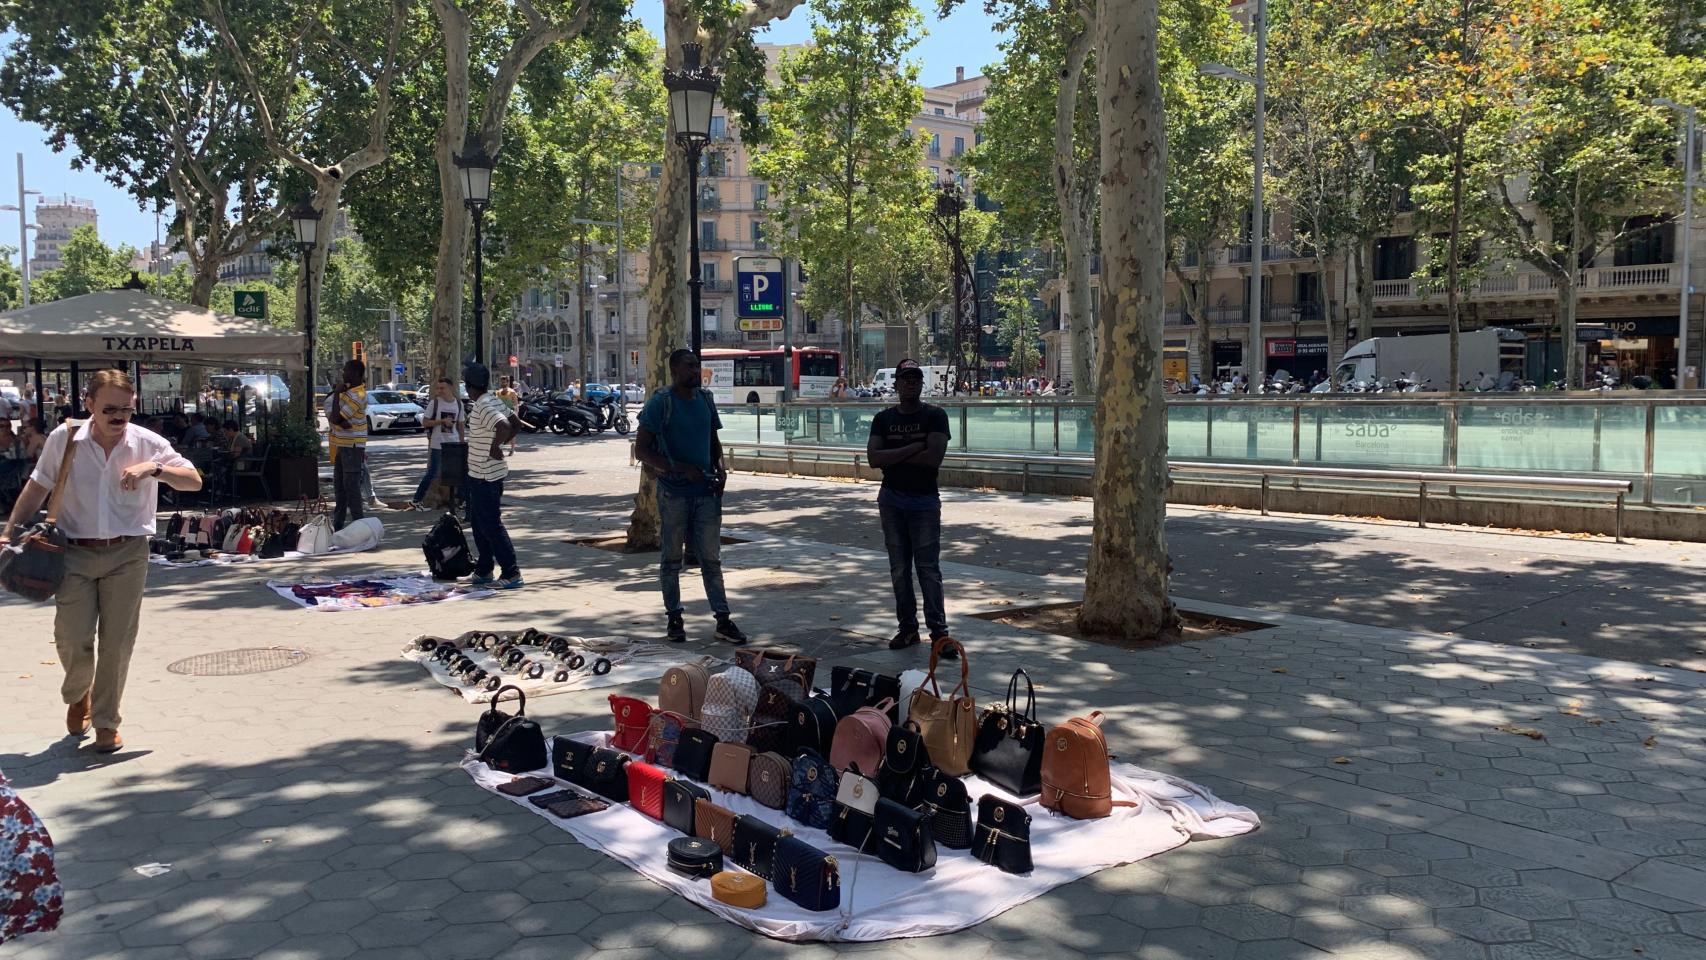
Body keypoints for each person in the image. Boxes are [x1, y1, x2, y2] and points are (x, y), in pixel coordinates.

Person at [0, 369, 202, 752]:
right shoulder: (66, 438)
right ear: (89, 405)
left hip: (128, 554)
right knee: (72, 638)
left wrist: (155, 469)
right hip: (73, 552)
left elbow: (194, 480)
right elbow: (38, 486)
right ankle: (79, 694)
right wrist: (10, 532)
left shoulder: (146, 443)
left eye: (126, 409)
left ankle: (107, 721)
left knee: (117, 642)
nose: (118, 417)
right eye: (109, 408)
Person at [635, 349, 747, 645]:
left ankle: (723, 619)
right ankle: (674, 618)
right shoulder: (662, 402)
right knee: (671, 559)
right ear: (674, 370)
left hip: (706, 493)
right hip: (673, 493)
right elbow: (641, 450)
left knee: (711, 559)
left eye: (697, 366)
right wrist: (679, 468)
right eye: (689, 367)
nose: (696, 371)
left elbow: (714, 441)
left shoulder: (706, 400)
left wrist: (721, 470)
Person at [866, 359, 953, 655]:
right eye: (906, 378)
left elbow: (934, 459)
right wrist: (915, 447)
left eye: (916, 378)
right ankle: (907, 629)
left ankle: (939, 635)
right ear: (897, 383)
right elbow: (874, 459)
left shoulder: (936, 416)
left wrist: (895, 454)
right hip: (892, 500)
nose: (911, 382)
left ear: (921, 383)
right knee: (899, 569)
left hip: (924, 501)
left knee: (928, 569)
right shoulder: (882, 418)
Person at [461, 363, 524, 589]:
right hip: (484, 472)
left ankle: (511, 572)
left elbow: (505, 425)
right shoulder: (493, 399)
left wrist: (495, 446)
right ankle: (484, 568)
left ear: (468, 386)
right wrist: (499, 444)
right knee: (479, 524)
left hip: (485, 475)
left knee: (491, 525)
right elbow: (516, 424)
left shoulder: (484, 405)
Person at [327, 359, 369, 530]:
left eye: (346, 371)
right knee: (339, 486)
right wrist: (337, 418)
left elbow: (336, 417)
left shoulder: (358, 395)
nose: (343, 374)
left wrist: (337, 394)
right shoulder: (348, 391)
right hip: (340, 443)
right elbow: (330, 411)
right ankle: (338, 524)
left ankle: (360, 524)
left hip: (352, 445)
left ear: (357, 374)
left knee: (351, 487)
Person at [411, 377, 465, 509]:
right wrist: (441, 422)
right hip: (438, 444)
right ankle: (417, 499)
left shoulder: (458, 404)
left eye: (443, 388)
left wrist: (462, 443)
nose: (440, 390)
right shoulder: (434, 403)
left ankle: (462, 500)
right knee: (433, 472)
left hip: (454, 443)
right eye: (438, 388)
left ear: (451, 388)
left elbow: (461, 425)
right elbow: (425, 422)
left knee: (458, 472)